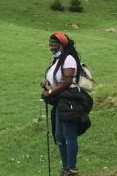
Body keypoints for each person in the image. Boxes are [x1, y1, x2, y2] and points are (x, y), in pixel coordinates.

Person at [41, 31, 83, 176]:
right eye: (50, 44)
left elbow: (66, 82)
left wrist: (51, 92)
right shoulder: (56, 61)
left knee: (68, 134)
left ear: (62, 45)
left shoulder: (69, 59)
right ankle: (66, 168)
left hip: (70, 101)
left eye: (54, 45)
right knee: (59, 136)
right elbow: (57, 80)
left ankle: (72, 169)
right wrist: (47, 84)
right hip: (61, 102)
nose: (51, 47)